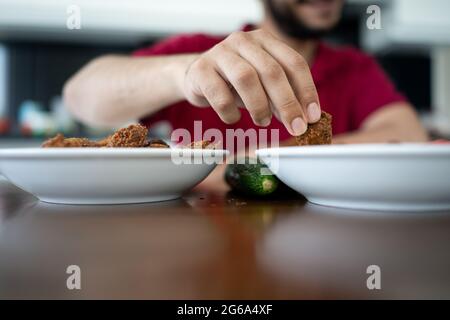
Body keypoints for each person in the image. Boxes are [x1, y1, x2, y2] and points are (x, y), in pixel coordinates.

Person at [63, 0, 428, 188]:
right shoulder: (202, 49)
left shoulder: (355, 67)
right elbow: (80, 96)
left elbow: (408, 135)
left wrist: (252, 162)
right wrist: (185, 73)